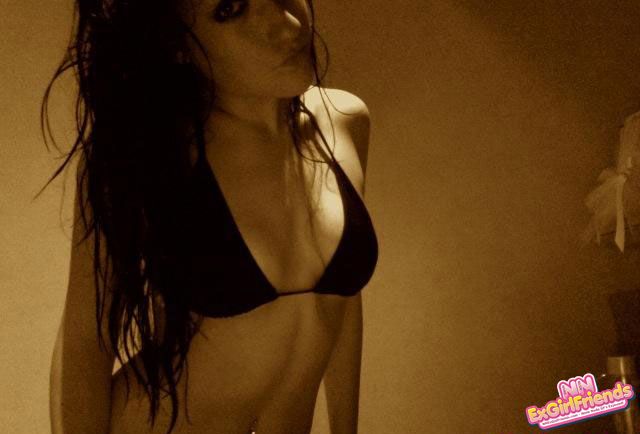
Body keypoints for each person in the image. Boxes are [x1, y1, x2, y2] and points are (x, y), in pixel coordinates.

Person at [44, 0, 379, 433]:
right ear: (177, 43)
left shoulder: (346, 121)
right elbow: (86, 344)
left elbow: (341, 304)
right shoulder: (148, 154)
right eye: (230, 9)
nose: (287, 24)